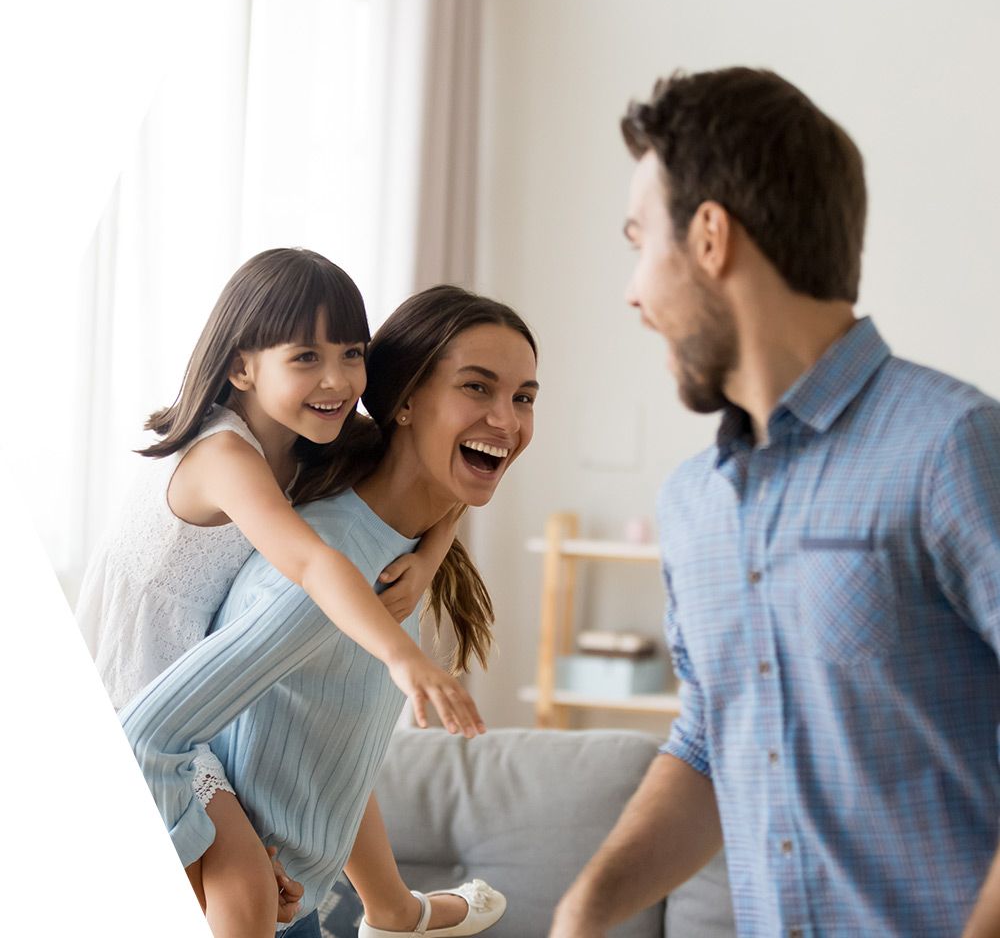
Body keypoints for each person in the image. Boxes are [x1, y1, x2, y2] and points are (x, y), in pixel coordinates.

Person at [550, 67, 1000, 938]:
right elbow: (714, 741)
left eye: (642, 240)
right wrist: (587, 906)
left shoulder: (953, 447)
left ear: (711, 237)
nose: (633, 292)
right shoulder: (691, 507)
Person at [74, 249, 489, 938]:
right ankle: (398, 913)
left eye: (352, 353)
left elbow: (434, 475)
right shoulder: (224, 456)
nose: (337, 379)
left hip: (199, 702)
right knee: (243, 883)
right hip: (137, 702)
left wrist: (429, 558)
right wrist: (402, 657)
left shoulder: (312, 437)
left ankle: (396, 911)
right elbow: (312, 562)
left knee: (267, 876)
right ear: (242, 367)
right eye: (306, 358)